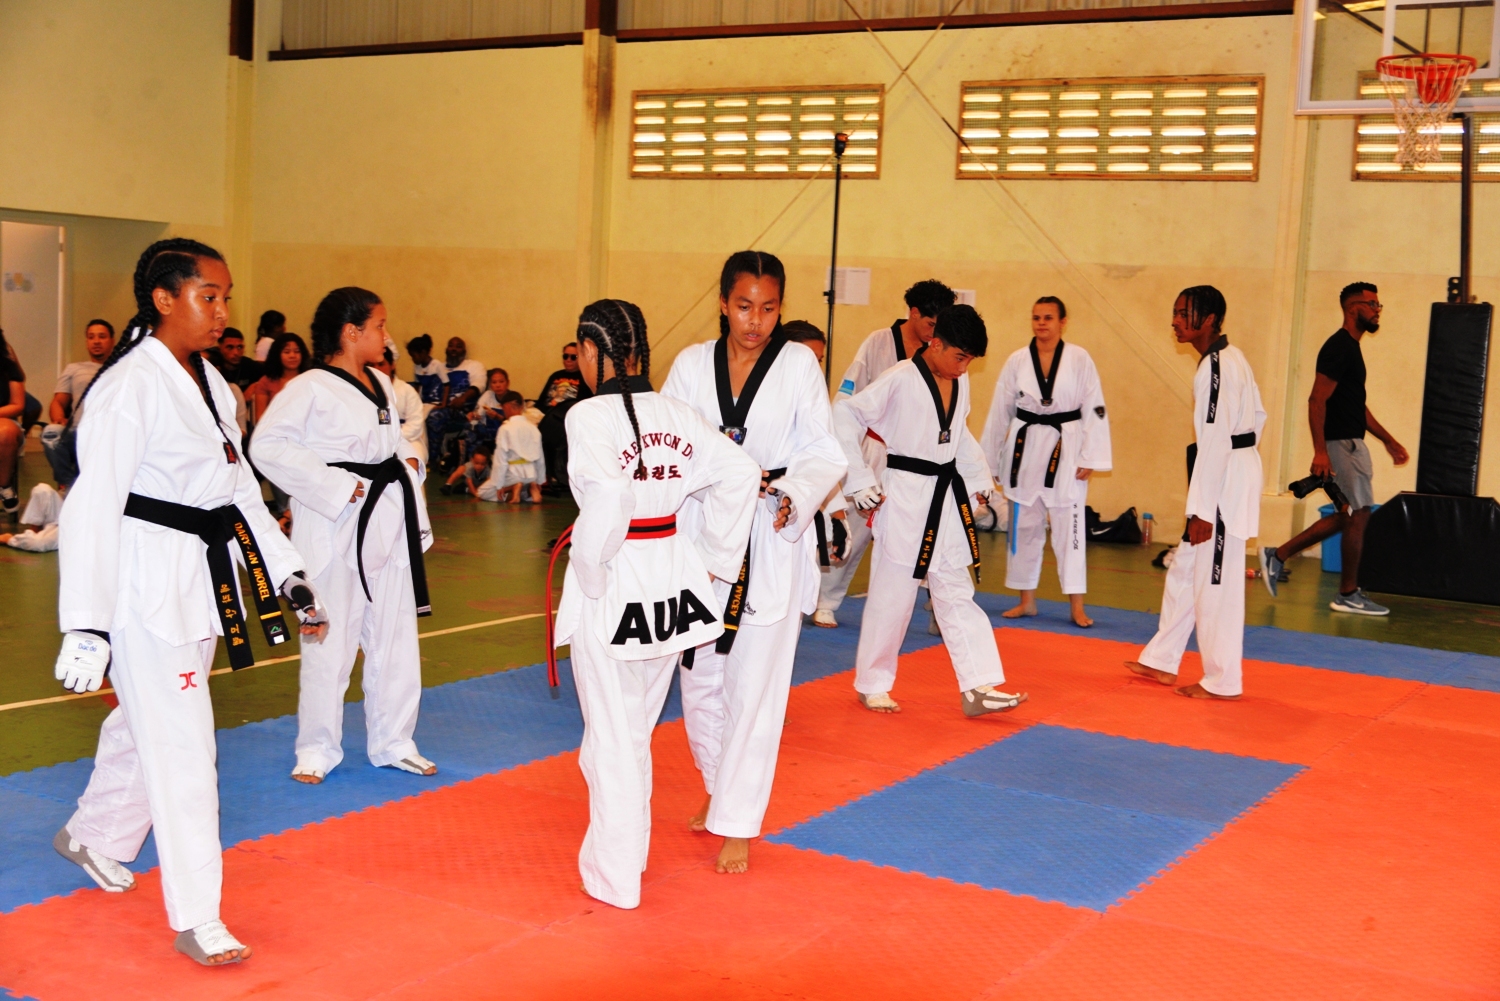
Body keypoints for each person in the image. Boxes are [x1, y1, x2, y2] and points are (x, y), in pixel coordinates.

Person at [53, 239, 325, 966]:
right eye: (210, 296)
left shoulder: (207, 380)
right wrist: (83, 620)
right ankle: (198, 914)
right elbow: (93, 501)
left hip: (203, 573)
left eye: (227, 296)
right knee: (184, 745)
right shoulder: (129, 386)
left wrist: (288, 571)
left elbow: (238, 488)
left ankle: (94, 833)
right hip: (143, 578)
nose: (224, 312)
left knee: (154, 718)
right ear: (165, 298)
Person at [553, 298, 759, 909]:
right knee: (630, 732)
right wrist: (715, 560)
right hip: (671, 580)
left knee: (614, 738)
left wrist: (589, 571)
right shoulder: (681, 412)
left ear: (592, 350)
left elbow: (611, 494)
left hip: (615, 580)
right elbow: (741, 473)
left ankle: (615, 878)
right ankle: (628, 855)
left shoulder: (587, 417)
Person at [663, 251, 847, 875]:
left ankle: (738, 821)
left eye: (769, 309)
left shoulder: (797, 365)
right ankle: (719, 786)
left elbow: (824, 450)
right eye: (744, 306)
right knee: (700, 678)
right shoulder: (690, 366)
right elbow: (664, 446)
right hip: (704, 533)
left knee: (756, 685)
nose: (755, 321)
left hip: (769, 534)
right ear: (723, 302)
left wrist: (793, 496)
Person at [252, 287, 437, 784]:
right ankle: (316, 748)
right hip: (335, 520)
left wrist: (411, 459)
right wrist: (336, 486)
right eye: (379, 325)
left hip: (386, 521)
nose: (386, 334)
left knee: (395, 637)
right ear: (351, 333)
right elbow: (266, 447)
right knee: (329, 638)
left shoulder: (380, 381)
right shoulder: (309, 387)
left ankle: (395, 740)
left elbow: (392, 441)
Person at [833, 304, 1026, 718]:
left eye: (970, 359)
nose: (964, 366)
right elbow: (844, 413)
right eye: (960, 356)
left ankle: (978, 685)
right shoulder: (900, 379)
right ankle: (872, 683)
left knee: (956, 591)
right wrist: (860, 478)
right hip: (904, 497)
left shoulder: (961, 379)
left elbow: (959, 437)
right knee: (894, 596)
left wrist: (979, 483)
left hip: (945, 496)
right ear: (935, 343)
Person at [1127, 286, 1265, 700]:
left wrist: (1204, 509)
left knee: (1215, 583)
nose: (1174, 321)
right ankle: (1162, 659)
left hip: (1223, 482)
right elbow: (1257, 418)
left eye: (1182, 313)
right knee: (1186, 568)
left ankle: (1223, 681)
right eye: (1173, 312)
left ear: (1207, 320)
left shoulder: (1219, 367)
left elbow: (1217, 441)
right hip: (1226, 471)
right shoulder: (1229, 359)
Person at [814, 279, 957, 628]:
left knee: (930, 529)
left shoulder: (940, 350)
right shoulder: (878, 342)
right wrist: (841, 448)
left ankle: (940, 608)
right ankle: (826, 601)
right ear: (913, 313)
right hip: (875, 447)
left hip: (922, 453)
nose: (933, 333)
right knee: (858, 522)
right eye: (930, 323)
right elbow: (847, 397)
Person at [1260, 282, 1407, 616]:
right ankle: (1347, 593)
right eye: (1372, 304)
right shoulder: (1339, 347)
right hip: (1342, 445)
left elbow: (1358, 408)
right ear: (1353, 307)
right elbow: (1316, 399)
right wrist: (1320, 452)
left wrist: (1388, 439)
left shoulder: (1351, 350)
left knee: (1348, 516)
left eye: (1378, 305)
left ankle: (1278, 555)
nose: (1377, 310)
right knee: (1360, 514)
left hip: (1350, 441)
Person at [980, 297, 1112, 629]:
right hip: (1024, 450)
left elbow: (1095, 406)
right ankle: (1026, 601)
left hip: (1065, 450)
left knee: (1070, 530)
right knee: (1024, 527)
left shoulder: (1080, 359)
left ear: (1063, 322)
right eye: (1036, 317)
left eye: (1049, 317)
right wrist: (989, 462)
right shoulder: (1017, 361)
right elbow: (1000, 410)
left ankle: (1077, 606)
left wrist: (1092, 455)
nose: (1042, 323)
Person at [537, 341, 593, 491]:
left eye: (573, 357)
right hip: (546, 414)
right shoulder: (556, 375)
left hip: (564, 418)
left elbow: (581, 404)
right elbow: (541, 401)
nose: (568, 360)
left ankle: (548, 475)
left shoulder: (585, 377)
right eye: (565, 356)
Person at [425, 337, 485, 469]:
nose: (453, 349)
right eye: (451, 345)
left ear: (464, 351)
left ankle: (432, 459)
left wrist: (463, 399)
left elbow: (479, 385)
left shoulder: (473, 366)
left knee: (435, 416)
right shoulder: (437, 368)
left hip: (461, 411)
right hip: (435, 406)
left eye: (458, 346)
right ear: (446, 349)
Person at [479, 391, 545, 503]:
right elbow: (540, 458)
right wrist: (539, 481)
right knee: (526, 496)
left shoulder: (505, 428)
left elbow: (501, 460)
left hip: (513, 474)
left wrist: (500, 485)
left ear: (507, 406)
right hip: (531, 473)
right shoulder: (533, 428)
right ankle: (530, 487)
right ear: (522, 406)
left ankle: (513, 488)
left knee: (482, 492)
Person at [373, 346, 427, 465]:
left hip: (409, 440)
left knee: (412, 464)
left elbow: (415, 426)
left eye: (381, 364)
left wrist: (392, 437)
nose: (376, 369)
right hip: (377, 441)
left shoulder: (407, 391)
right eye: (373, 366)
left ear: (392, 365)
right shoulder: (366, 392)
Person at [245, 332, 311, 424]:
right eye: (287, 352)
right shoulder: (266, 381)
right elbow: (260, 419)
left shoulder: (310, 379)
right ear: (277, 355)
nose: (292, 356)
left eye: (297, 351)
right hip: (274, 431)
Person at [0, 329, 24, 517]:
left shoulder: (8, 366)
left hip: (3, 419)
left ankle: (4, 486)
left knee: (6, 432)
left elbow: (18, 405)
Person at [0, 481, 63, 551]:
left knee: (37, 542)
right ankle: (34, 532)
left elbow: (39, 544)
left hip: (70, 523)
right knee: (42, 489)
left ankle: (16, 538)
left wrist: (9, 539)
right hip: (67, 506)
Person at [465, 368, 510, 458]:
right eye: (494, 382)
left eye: (501, 382)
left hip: (506, 434)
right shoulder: (488, 395)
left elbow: (516, 423)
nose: (498, 385)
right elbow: (478, 414)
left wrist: (498, 417)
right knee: (472, 425)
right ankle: (472, 460)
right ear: (490, 385)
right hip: (488, 432)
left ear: (507, 383)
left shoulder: (513, 398)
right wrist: (473, 416)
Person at [211, 327, 262, 392]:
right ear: (219, 348)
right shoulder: (212, 366)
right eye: (230, 347)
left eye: (239, 347)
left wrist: (255, 386)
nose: (236, 352)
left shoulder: (251, 366)